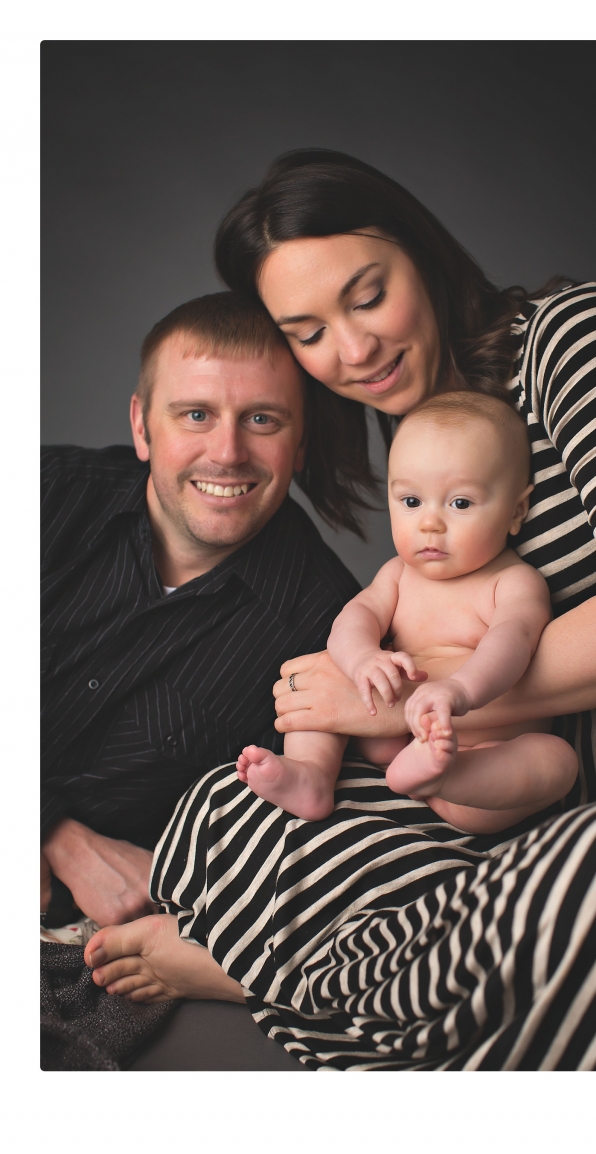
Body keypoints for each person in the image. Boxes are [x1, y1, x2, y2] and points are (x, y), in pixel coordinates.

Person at [85, 151, 596, 1071]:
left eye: (367, 295)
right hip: (533, 792)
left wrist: (384, 706)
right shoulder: (423, 437)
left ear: (417, 249)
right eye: (306, 331)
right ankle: (354, 964)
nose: (351, 352)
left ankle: (263, 972)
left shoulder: (580, 338)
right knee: (237, 814)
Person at [41, 290, 360, 931]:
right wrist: (54, 835)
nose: (227, 452)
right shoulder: (42, 494)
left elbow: (290, 852)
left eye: (263, 420)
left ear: (300, 444)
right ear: (141, 425)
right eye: (195, 414)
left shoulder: (332, 631)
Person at [236, 392, 578, 832]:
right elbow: (354, 618)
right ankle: (311, 773)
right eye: (412, 502)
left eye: (460, 503)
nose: (429, 524)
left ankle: (445, 772)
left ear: (516, 510)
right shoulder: (397, 574)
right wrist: (362, 659)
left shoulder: (512, 582)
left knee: (557, 762)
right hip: (386, 731)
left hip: (483, 747)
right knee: (323, 680)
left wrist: (458, 691)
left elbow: (512, 643)